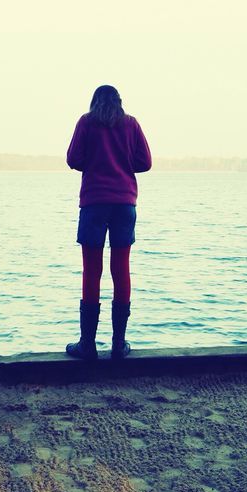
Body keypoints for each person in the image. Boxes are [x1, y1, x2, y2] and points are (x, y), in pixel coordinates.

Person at [65, 84, 152, 361]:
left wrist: (96, 160)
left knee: (92, 271)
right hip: (124, 204)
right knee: (121, 270)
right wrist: (122, 162)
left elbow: (73, 159)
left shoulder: (86, 122)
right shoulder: (131, 124)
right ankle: (117, 345)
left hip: (94, 202)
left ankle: (87, 346)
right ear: (120, 102)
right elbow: (145, 162)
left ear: (93, 102)